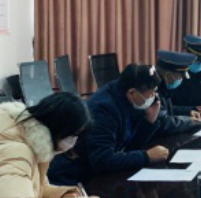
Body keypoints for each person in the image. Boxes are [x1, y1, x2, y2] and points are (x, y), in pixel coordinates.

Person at [48, 64, 191, 186]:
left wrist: (149, 121)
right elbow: (102, 160)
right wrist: (146, 156)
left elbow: (128, 147)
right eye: (152, 93)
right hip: (72, 177)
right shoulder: (103, 110)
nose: (154, 97)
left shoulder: (129, 98)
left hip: (96, 173)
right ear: (133, 92)